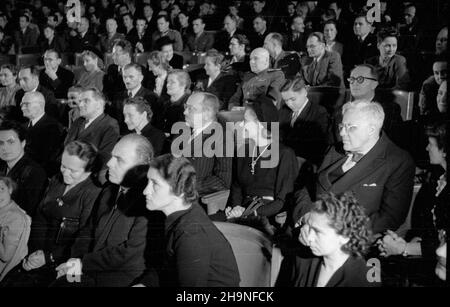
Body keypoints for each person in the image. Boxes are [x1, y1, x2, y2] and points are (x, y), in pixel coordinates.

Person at [293, 101, 415, 236]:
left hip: (352, 242)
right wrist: (306, 216)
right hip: (309, 231)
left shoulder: (398, 161)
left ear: (371, 130)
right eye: (342, 126)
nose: (342, 133)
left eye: (351, 127)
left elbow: (390, 219)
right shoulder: (334, 149)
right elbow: (307, 188)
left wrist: (330, 230)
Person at [54, 134, 155, 287]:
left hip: (120, 278)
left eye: (119, 159)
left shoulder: (150, 202)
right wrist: (73, 261)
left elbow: (130, 254)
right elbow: (87, 232)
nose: (109, 163)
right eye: (112, 156)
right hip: (89, 269)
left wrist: (82, 264)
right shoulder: (109, 190)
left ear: (142, 166)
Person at [2, 141, 102, 287]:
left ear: (89, 170)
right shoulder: (56, 181)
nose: (65, 173)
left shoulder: (94, 194)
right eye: (63, 166)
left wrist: (49, 257)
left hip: (67, 260)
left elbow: (83, 240)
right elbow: (40, 218)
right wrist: (35, 252)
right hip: (38, 252)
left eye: (73, 171)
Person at [138, 154, 240, 287]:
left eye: (155, 184)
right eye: (148, 182)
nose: (145, 191)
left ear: (180, 191)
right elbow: (165, 267)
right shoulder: (178, 217)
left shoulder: (191, 232)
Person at [379, 121, 449, 286]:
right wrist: (406, 243)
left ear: (445, 151)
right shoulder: (439, 179)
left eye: (431, 144)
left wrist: (402, 248)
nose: (426, 148)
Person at [223, 95, 298, 225]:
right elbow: (237, 187)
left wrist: (251, 213)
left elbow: (282, 200)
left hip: (267, 215)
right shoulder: (243, 151)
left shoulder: (284, 154)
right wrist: (236, 208)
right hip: (243, 211)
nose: (240, 125)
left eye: (245, 121)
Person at [277, 192, 377, 287]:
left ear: (344, 237)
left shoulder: (363, 280)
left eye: (317, 231)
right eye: (309, 227)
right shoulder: (301, 259)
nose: (309, 237)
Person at [179, 92, 232, 197]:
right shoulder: (184, 131)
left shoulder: (222, 138)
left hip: (195, 201)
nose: (185, 112)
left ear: (207, 114)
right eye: (185, 107)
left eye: (191, 109)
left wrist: (187, 188)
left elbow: (222, 181)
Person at [0, 121, 47, 217]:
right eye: (0, 143)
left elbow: (26, 212)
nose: (4, 148)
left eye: (11, 142)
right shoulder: (3, 166)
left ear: (23, 143)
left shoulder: (35, 173)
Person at [64, 88, 120, 168]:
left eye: (86, 101)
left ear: (99, 105)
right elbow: (66, 145)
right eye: (80, 101)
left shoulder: (110, 125)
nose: (80, 105)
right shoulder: (78, 121)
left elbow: (104, 157)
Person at [279, 77, 329, 167]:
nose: (289, 104)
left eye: (293, 99)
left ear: (305, 92)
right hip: (283, 157)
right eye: (286, 100)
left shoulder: (319, 113)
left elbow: (316, 146)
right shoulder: (283, 110)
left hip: (304, 161)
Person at [20, 92, 64, 177]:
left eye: (26, 104)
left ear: (40, 105)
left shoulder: (53, 127)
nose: (22, 108)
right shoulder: (23, 126)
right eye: (21, 104)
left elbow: (46, 158)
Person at [111, 63, 159, 134]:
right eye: (124, 77)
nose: (127, 81)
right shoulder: (117, 97)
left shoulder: (151, 97)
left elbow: (154, 123)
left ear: (141, 78)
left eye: (131, 77)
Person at [0, 177, 31, 282]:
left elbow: (5, 256)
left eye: (2, 189)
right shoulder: (3, 210)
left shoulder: (15, 217)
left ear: (10, 189)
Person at [159, 70, 191, 135]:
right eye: (167, 82)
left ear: (183, 85)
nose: (167, 85)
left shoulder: (190, 105)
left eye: (172, 82)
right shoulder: (165, 104)